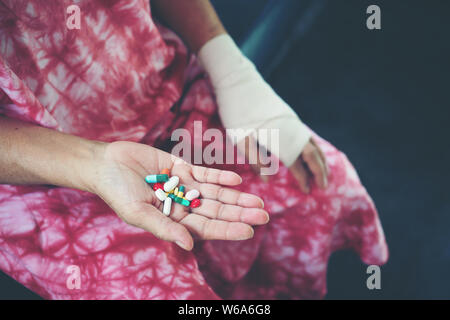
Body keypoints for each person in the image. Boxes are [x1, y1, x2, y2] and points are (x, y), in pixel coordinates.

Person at [0, 0, 388, 299]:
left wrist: (234, 74)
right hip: (43, 177)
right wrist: (95, 164)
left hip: (163, 87)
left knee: (327, 185)